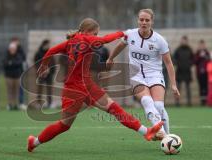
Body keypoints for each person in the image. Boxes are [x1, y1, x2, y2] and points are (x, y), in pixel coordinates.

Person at [27, 18, 163, 152]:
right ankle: (34, 141)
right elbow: (105, 40)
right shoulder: (87, 39)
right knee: (64, 125)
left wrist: (44, 65)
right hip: (74, 89)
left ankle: (146, 131)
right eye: (95, 33)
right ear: (86, 31)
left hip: (85, 85)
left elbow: (51, 51)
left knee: (113, 108)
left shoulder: (70, 42)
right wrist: (122, 33)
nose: (96, 37)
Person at [107, 9, 180, 139]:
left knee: (158, 106)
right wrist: (111, 58)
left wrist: (173, 84)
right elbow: (120, 45)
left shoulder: (159, 40)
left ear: (152, 21)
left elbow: (169, 63)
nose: (144, 22)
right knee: (147, 101)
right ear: (138, 20)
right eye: (141, 20)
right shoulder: (130, 35)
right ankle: (165, 137)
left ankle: (166, 135)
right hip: (136, 76)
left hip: (155, 75)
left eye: (147, 20)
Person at [34, 39, 55, 108]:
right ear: (44, 45)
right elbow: (36, 63)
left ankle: (50, 103)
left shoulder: (51, 52)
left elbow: (53, 63)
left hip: (49, 74)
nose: (48, 46)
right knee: (40, 89)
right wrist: (41, 70)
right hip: (41, 74)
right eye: (47, 44)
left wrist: (50, 69)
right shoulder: (38, 53)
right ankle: (38, 103)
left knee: (49, 89)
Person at [173, 36, 194, 106]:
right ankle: (177, 103)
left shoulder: (189, 49)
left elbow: (193, 59)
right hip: (179, 71)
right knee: (178, 88)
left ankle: (189, 103)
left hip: (187, 71)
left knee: (188, 88)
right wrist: (178, 64)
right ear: (181, 41)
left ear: (187, 41)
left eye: (185, 40)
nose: (184, 42)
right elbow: (174, 59)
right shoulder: (178, 50)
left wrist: (189, 64)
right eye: (182, 40)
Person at [3, 43, 23, 110]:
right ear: (9, 49)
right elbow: (5, 64)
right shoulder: (6, 56)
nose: (12, 50)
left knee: (16, 91)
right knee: (10, 91)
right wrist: (12, 63)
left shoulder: (18, 56)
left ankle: (16, 104)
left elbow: (19, 63)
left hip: (17, 76)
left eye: (13, 49)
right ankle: (10, 104)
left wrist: (11, 63)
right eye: (11, 49)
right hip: (9, 76)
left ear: (15, 49)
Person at [194, 40, 210, 105]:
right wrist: (200, 56)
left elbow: (209, 60)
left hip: (206, 73)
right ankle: (202, 101)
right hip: (199, 73)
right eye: (200, 45)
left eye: (203, 45)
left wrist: (205, 56)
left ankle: (207, 100)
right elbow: (195, 61)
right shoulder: (197, 53)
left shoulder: (207, 52)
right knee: (201, 87)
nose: (202, 46)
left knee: (206, 87)